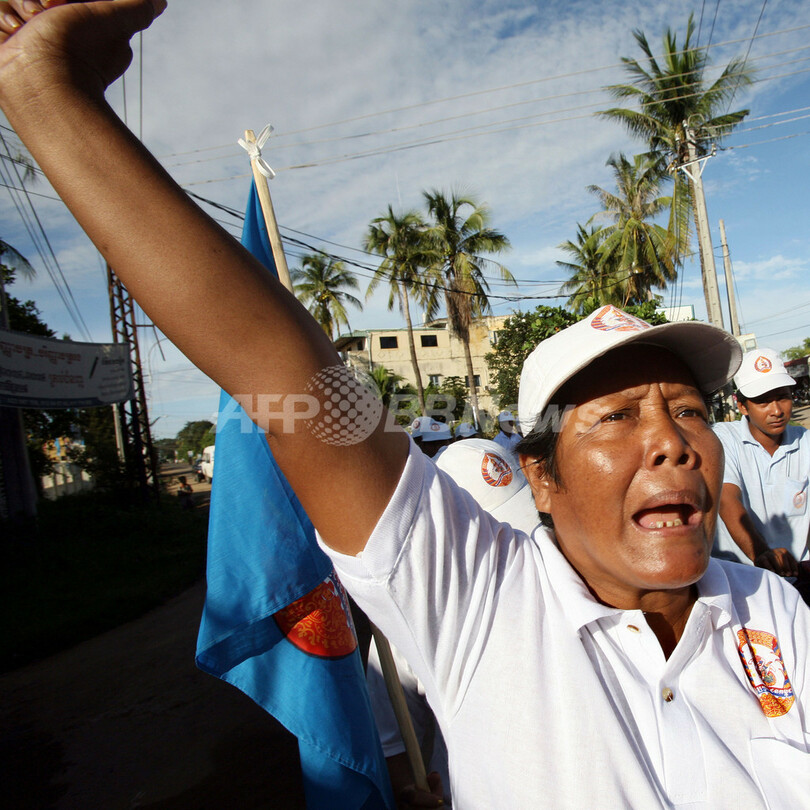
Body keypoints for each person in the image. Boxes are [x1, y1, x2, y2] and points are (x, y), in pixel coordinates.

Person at [1, 7, 807, 807]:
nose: (672, 441)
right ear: (542, 478)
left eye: (691, 410)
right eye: (616, 416)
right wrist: (45, 89)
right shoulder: (483, 601)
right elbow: (279, 371)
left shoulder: (770, 609)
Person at [366, 440, 540, 807]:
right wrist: (412, 794)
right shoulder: (406, 623)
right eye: (490, 535)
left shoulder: (576, 580)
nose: (519, 545)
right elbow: (392, 745)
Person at [713, 348, 809, 575]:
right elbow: (727, 500)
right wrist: (761, 553)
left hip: (798, 574)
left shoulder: (804, 441)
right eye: (763, 402)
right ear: (743, 406)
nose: (776, 410)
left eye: (783, 397)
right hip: (743, 577)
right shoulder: (723, 438)